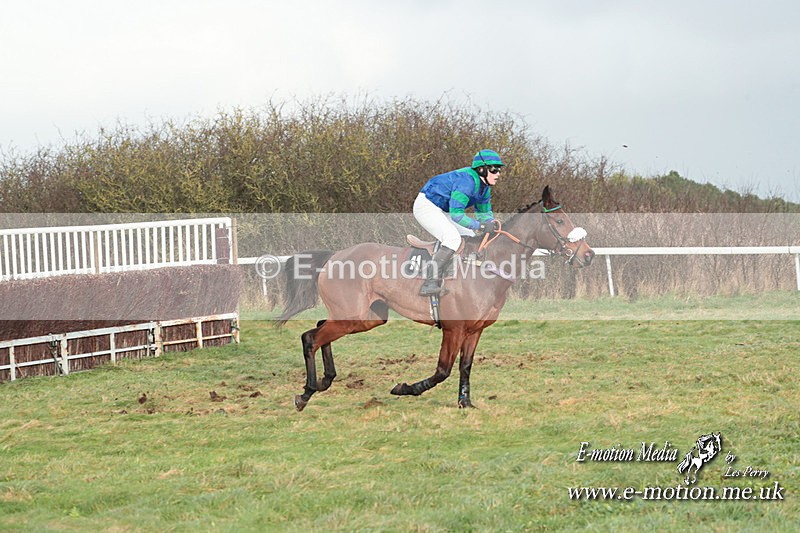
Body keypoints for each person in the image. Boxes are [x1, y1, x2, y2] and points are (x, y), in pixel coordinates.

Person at [413, 149, 504, 296]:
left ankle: (461, 279)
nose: (498, 173)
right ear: (481, 169)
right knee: (453, 239)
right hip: (427, 206)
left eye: (499, 169)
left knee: (470, 236)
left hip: (444, 209)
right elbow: (457, 215)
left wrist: (490, 223)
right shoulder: (466, 182)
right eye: (494, 169)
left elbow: (484, 213)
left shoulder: (484, 188)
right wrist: (481, 226)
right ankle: (429, 282)